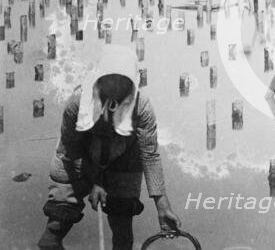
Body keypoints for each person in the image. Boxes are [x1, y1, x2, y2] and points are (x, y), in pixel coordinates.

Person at [37, 45, 181, 250]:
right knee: (57, 225)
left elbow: (149, 155)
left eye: (122, 80)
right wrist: (97, 180)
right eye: (109, 78)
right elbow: (72, 147)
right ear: (99, 79)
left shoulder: (143, 108)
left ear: (132, 83)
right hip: (78, 156)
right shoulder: (77, 103)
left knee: (122, 228)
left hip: (124, 157)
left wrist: (162, 205)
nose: (115, 86)